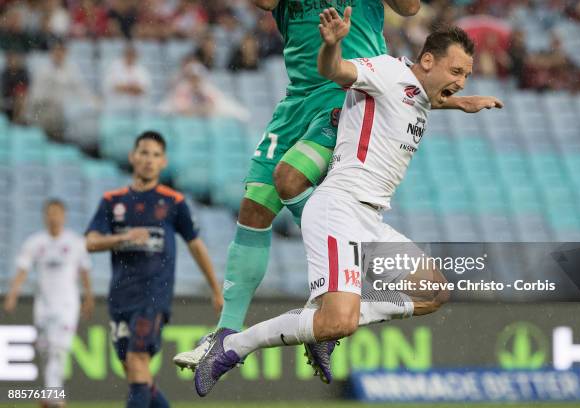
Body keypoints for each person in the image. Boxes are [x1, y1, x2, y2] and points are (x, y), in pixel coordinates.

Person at [174, 0, 501, 378]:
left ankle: (325, 310)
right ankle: (230, 332)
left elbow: (410, 12)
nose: (461, 80)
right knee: (255, 206)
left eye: (464, 75)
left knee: (291, 179)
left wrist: (458, 101)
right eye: (458, 72)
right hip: (302, 99)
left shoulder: (395, 76)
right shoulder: (393, 73)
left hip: (341, 95)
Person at [85, 131, 223, 408]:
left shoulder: (173, 202)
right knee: (137, 374)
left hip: (153, 297)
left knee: (137, 362)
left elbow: (196, 245)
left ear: (163, 162)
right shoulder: (113, 200)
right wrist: (122, 237)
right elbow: (90, 242)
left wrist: (215, 289)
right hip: (120, 297)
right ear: (133, 157)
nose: (149, 160)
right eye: (144, 153)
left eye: (156, 155)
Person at [4, 199, 95, 408]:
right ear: (45, 216)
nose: (53, 217)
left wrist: (88, 297)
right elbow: (23, 269)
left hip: (67, 306)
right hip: (43, 305)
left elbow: (85, 271)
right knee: (45, 350)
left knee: (58, 349)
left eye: (57, 213)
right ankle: (51, 393)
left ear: (64, 216)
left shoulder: (75, 242)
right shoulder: (35, 242)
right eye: (50, 213)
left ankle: (54, 398)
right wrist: (12, 294)